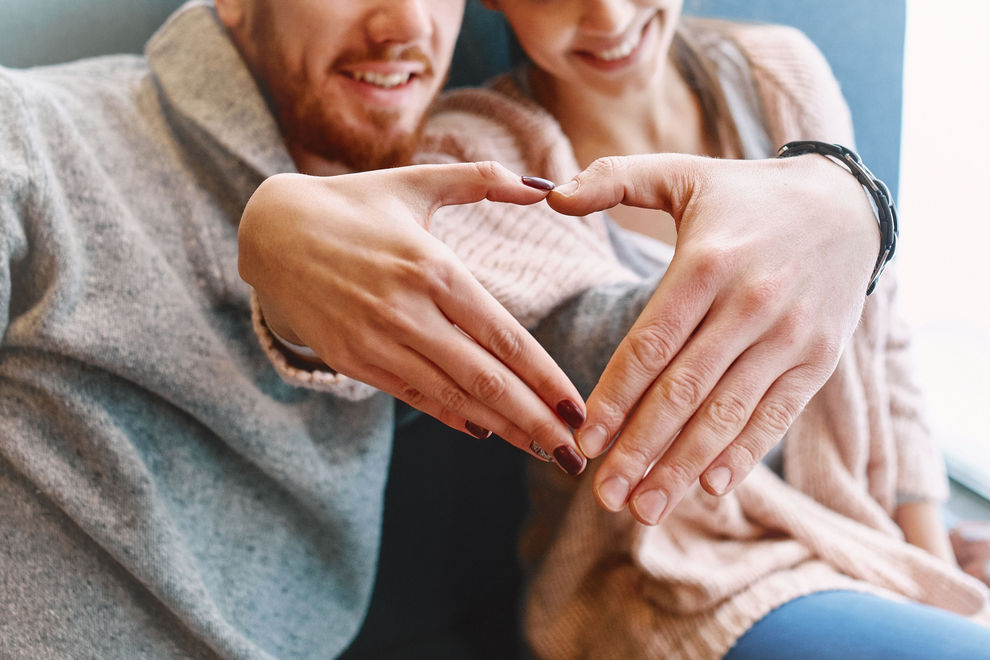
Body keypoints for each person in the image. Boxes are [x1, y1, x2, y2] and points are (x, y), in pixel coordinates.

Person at [0, 2, 973, 660]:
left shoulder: (444, 216)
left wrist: (850, 210)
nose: (400, 24)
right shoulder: (35, 130)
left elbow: (595, 346)